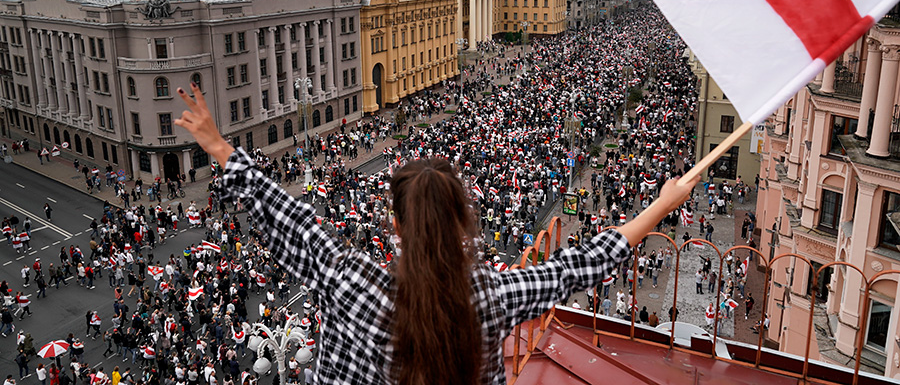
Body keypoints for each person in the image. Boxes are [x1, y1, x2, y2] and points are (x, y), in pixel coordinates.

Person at [174, 80, 699, 384]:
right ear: (462, 221)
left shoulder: (349, 279)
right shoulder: (491, 295)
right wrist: (661, 204)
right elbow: (581, 264)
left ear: (395, 223)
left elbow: (285, 215)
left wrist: (220, 147)